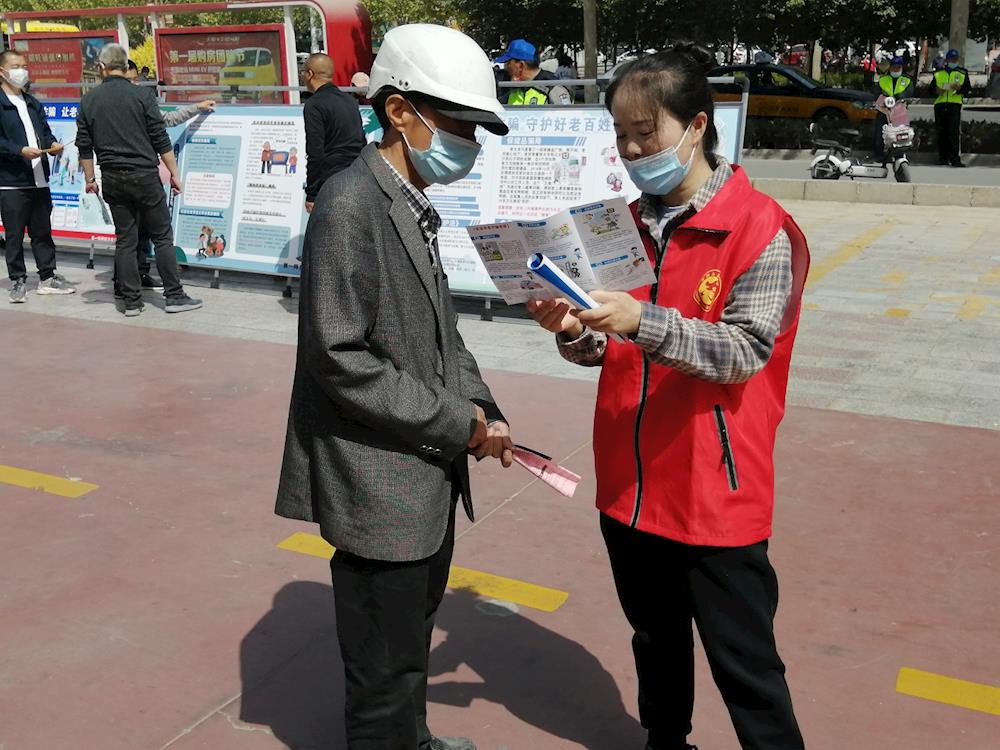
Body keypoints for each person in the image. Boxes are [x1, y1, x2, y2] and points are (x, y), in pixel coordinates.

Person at [527, 45, 809, 750]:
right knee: (655, 641)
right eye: (619, 134)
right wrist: (572, 330)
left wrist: (641, 321)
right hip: (630, 485)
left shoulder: (759, 228)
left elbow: (744, 352)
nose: (630, 149)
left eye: (644, 132)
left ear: (696, 126)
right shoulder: (616, 224)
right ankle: (664, 740)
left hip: (716, 490)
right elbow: (605, 347)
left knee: (746, 665)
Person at [275, 23, 513, 750]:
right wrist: (455, 422)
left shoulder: (408, 201)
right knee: (381, 676)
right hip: (379, 485)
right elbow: (338, 355)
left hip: (419, 475)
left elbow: (442, 332)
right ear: (400, 111)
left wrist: (483, 407)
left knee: (408, 651)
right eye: (461, 124)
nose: (470, 142)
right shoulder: (352, 204)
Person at [76, 43, 202, 316]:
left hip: (111, 177)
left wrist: (90, 178)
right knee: (162, 238)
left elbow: (84, 146)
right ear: (125, 65)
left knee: (125, 240)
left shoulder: (88, 100)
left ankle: (131, 302)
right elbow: (160, 139)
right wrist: (175, 174)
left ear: (101, 67)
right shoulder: (142, 96)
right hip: (144, 176)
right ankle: (174, 296)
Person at [117, 57, 215, 291]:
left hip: (136, 176)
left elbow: (166, 120)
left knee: (138, 233)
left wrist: (196, 108)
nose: (133, 85)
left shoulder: (137, 102)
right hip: (134, 176)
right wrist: (174, 172)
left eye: (135, 81)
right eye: (128, 80)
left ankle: (136, 278)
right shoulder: (116, 105)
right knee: (140, 235)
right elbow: (163, 135)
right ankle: (163, 290)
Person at [0, 49, 76, 303]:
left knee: (42, 231)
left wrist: (53, 145)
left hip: (39, 179)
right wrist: (19, 150)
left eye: (24, 65)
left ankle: (47, 276)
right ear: (2, 71)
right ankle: (18, 280)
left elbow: (45, 132)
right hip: (11, 182)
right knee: (14, 234)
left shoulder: (33, 103)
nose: (22, 70)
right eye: (16, 66)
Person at [301, 53, 365, 213]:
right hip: (358, 176)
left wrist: (312, 194)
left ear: (310, 74)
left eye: (303, 72)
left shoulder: (314, 105)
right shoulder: (349, 101)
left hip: (331, 182)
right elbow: (360, 141)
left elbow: (315, 152)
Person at [495, 38, 572, 106]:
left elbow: (565, 118)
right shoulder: (514, 89)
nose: (506, 68)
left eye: (508, 63)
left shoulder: (552, 88)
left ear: (521, 65)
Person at [931, 48, 972, 167]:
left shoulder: (962, 72)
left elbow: (968, 89)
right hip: (940, 104)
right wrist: (937, 91)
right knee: (941, 132)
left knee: (953, 132)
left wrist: (960, 89)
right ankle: (942, 158)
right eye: (951, 59)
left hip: (954, 104)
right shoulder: (939, 73)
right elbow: (931, 90)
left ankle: (954, 158)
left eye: (955, 59)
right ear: (947, 60)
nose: (953, 61)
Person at [873, 55, 914, 161]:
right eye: (894, 67)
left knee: (900, 135)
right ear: (890, 67)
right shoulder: (883, 80)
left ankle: (899, 156)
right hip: (884, 110)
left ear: (901, 68)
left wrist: (899, 96)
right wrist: (884, 98)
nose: (896, 69)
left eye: (898, 67)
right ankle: (879, 155)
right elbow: (877, 94)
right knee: (880, 134)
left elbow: (909, 93)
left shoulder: (907, 80)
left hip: (899, 111)